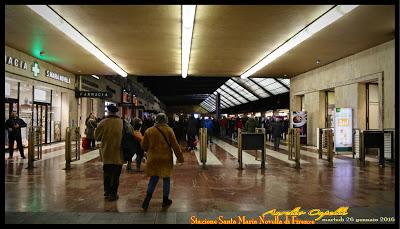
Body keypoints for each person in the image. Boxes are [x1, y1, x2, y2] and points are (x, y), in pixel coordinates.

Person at [141, 113, 184, 210]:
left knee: (153, 178)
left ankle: (147, 200)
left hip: (153, 159)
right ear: (165, 120)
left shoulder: (149, 131)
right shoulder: (169, 130)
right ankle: (165, 200)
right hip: (165, 158)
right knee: (166, 179)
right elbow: (175, 146)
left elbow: (143, 146)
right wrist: (180, 158)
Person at [95, 104, 133, 201]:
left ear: (108, 112)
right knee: (116, 175)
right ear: (116, 112)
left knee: (107, 173)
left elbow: (97, 137)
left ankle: (106, 191)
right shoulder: (123, 123)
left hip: (107, 153)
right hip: (118, 153)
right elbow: (130, 134)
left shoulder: (103, 123)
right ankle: (113, 193)